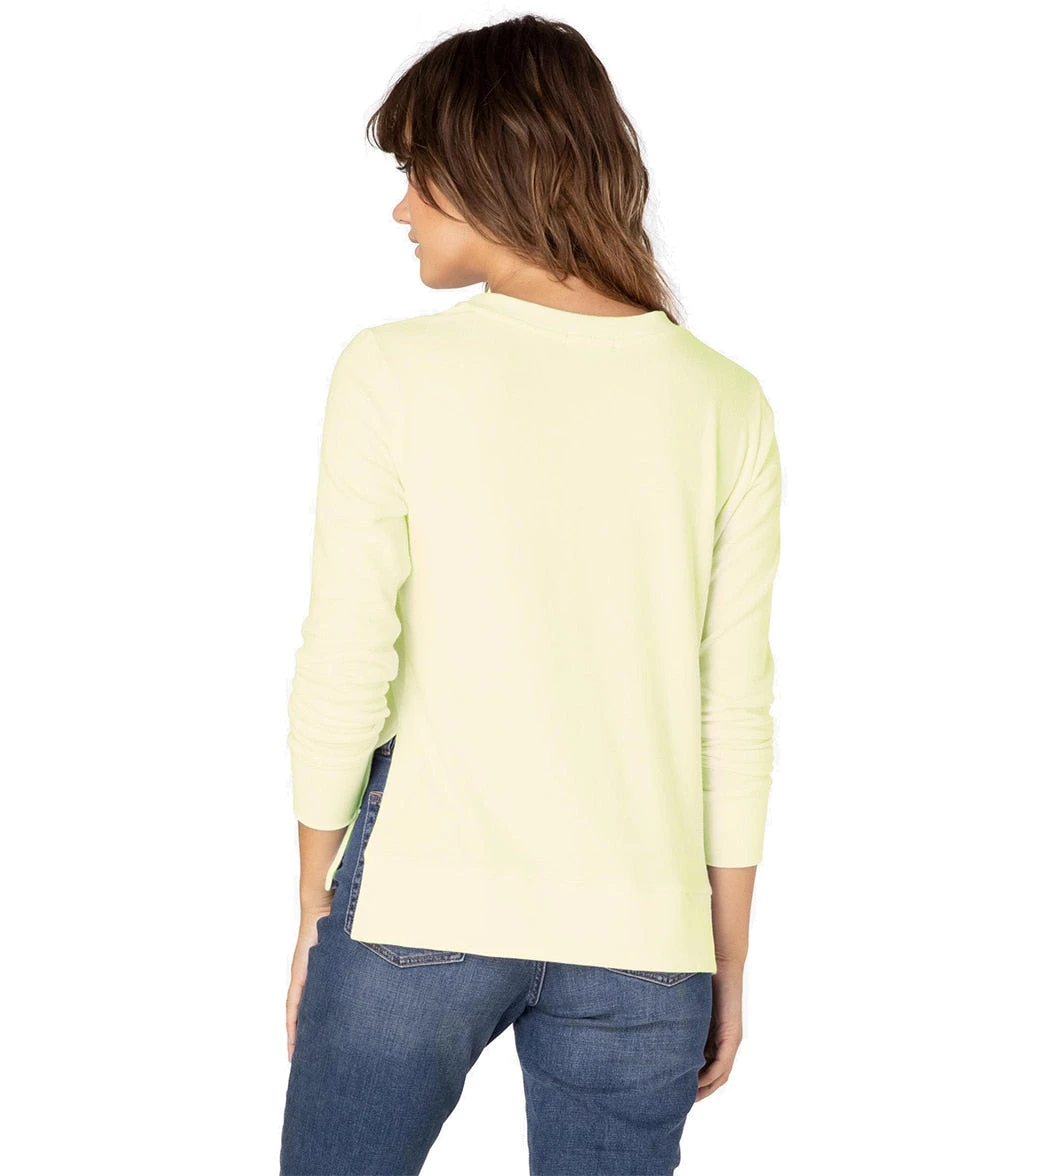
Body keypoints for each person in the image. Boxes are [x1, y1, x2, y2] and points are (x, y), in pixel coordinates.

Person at [280, 14, 782, 1176]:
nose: (401, 207)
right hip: (646, 939)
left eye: (417, 170)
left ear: (489, 163)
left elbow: (347, 659)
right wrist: (726, 953)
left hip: (415, 910)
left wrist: (315, 902)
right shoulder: (724, 401)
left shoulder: (392, 370)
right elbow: (733, 711)